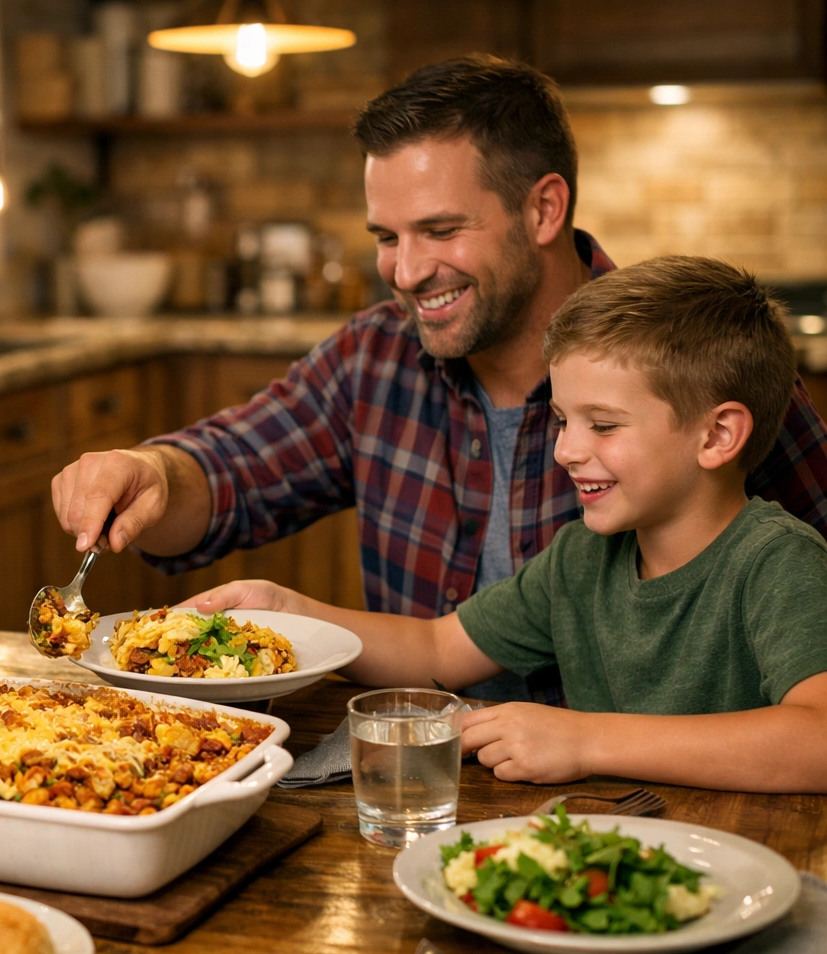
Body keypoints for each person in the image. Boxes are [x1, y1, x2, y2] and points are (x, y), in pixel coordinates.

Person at [49, 56, 827, 704]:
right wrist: (149, 472)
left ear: (543, 209)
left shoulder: (691, 366)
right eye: (387, 236)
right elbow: (231, 472)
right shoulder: (376, 357)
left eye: (442, 229)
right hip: (422, 778)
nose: (408, 270)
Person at [192, 257, 827, 793]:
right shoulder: (581, 559)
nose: (567, 451)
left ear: (717, 435)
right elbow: (437, 650)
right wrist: (287, 614)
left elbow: (817, 738)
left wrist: (586, 740)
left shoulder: (778, 563)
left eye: (602, 425)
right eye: (561, 420)